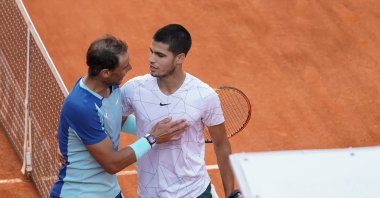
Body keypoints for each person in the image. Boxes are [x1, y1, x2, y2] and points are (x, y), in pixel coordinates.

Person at [50, 35, 189, 198]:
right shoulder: (81, 106)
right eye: (124, 67)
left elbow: (114, 120)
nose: (129, 68)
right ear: (105, 72)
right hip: (79, 193)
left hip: (110, 191)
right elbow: (112, 163)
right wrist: (153, 137)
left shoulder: (111, 87)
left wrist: (162, 128)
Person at [121, 24, 235, 197]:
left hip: (194, 192)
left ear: (179, 58)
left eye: (160, 55)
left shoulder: (203, 95)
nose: (152, 59)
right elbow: (112, 126)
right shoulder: (133, 89)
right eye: (151, 51)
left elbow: (221, 145)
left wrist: (229, 193)